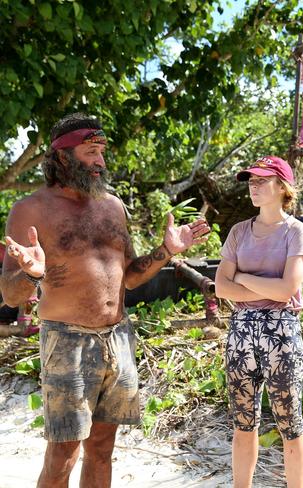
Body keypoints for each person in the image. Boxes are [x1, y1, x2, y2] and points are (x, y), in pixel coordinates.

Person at [0, 113, 210, 488]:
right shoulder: (31, 210)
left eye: (102, 152)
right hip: (66, 342)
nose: (101, 161)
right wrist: (31, 273)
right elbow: (9, 294)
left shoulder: (112, 206)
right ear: (62, 157)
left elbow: (129, 275)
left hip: (118, 339)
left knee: (102, 448)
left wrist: (166, 250)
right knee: (63, 455)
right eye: (91, 152)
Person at [214, 155, 303, 488]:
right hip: (241, 331)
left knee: (290, 421)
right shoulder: (239, 231)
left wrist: (242, 277)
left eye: (262, 180)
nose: (253, 187)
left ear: (282, 187)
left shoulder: (296, 231)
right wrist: (259, 286)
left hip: (282, 332)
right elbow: (220, 287)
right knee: (243, 423)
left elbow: (289, 288)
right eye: (251, 181)